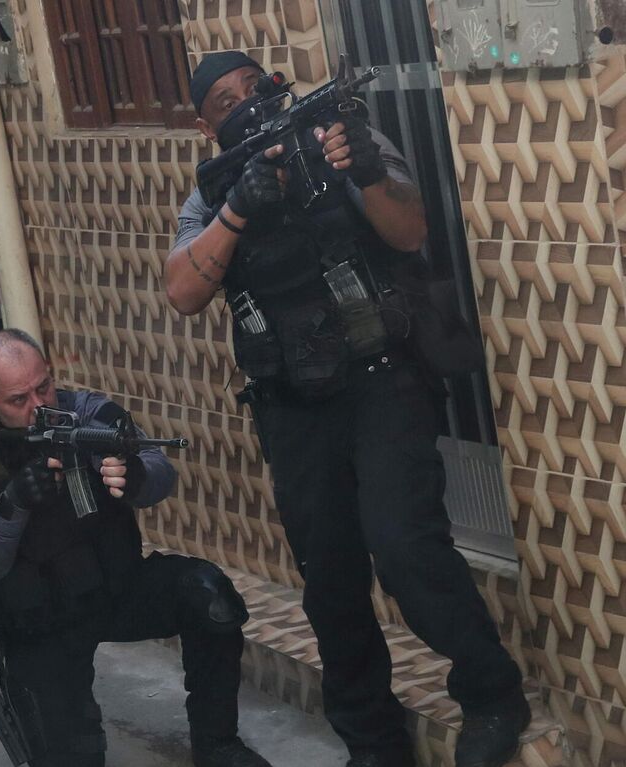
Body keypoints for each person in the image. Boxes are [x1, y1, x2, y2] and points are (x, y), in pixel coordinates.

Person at [165, 52, 526, 767]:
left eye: (254, 89)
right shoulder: (212, 194)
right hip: (292, 407)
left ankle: (491, 694)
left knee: (405, 546)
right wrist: (240, 205)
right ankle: (372, 742)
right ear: (207, 127)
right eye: (226, 103)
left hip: (382, 382)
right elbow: (182, 291)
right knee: (329, 577)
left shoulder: (337, 139)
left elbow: (410, 231)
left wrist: (361, 168)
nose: (248, 105)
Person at [0, 330, 271, 767]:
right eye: (19, 399)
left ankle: (218, 744)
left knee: (210, 597)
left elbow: (155, 465)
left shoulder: (84, 411)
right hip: (37, 622)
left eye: (44, 387)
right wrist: (13, 504)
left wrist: (136, 478)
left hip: (113, 590)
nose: (39, 406)